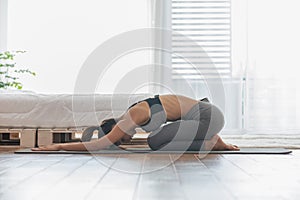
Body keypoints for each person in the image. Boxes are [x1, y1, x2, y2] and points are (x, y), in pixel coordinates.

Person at [32, 94, 239, 151]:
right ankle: (212, 141)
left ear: (115, 127)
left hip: (207, 117)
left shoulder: (132, 116)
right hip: (208, 117)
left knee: (155, 141)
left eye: (118, 137)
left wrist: (59, 145)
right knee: (157, 139)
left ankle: (211, 143)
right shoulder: (135, 112)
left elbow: (97, 145)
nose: (124, 138)